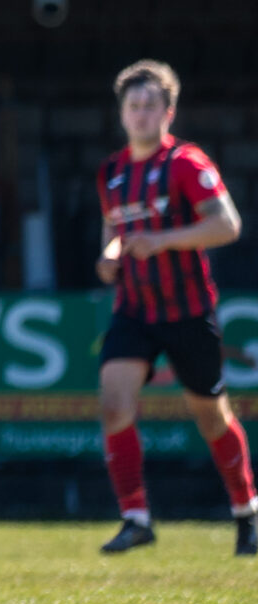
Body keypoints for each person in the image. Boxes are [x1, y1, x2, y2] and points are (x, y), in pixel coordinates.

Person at [93, 59, 254, 556]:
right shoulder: (112, 172)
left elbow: (227, 225)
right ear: (122, 112)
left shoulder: (186, 163)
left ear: (169, 112)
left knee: (211, 417)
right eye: (133, 106)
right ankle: (136, 517)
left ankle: (246, 510)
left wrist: (162, 241)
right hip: (134, 309)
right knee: (113, 404)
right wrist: (109, 257)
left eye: (150, 105)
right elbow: (114, 233)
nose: (140, 114)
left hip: (187, 310)